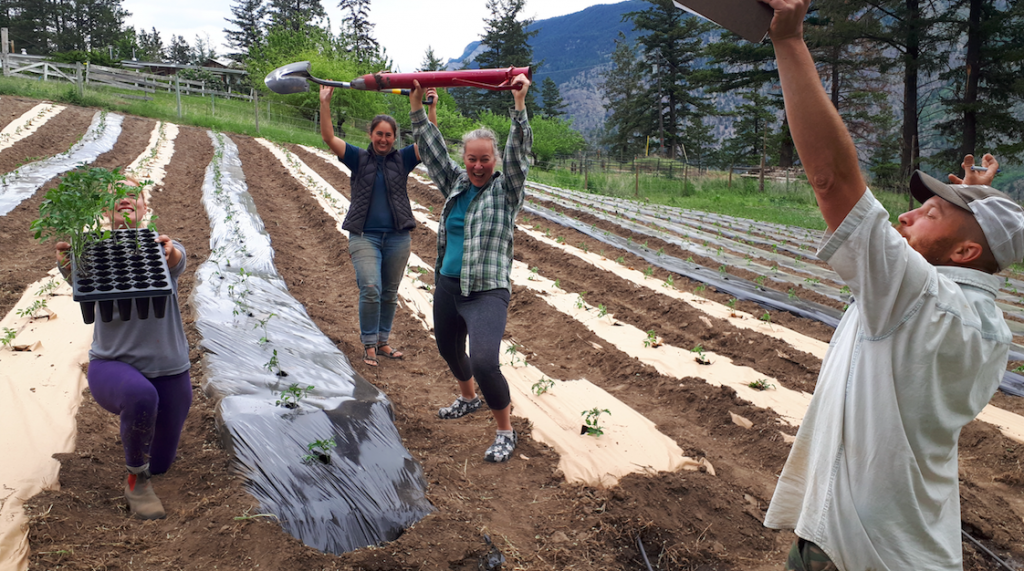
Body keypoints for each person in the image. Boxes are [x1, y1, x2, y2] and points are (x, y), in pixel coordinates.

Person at [756, 1, 1024, 569]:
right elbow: (963, 254)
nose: (906, 217)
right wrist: (974, 202)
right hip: (912, 546)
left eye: (927, 215)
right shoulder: (987, 325)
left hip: (851, 550)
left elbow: (831, 179)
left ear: (967, 252)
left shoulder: (914, 298)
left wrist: (789, 41)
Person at [408, 74, 532, 463]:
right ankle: (468, 398)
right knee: (447, 348)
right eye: (472, 158)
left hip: (486, 290)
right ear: (466, 159)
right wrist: (416, 108)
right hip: (448, 283)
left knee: (483, 361)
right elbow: (432, 154)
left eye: (485, 159)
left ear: (494, 161)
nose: (477, 165)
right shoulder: (457, 184)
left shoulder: (506, 190)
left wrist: (519, 107)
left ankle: (505, 430)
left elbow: (519, 155)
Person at [56, 178, 191, 520]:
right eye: (114, 196)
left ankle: (147, 461)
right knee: (140, 397)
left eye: (133, 194)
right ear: (104, 210)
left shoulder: (161, 247)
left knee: (162, 464)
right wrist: (68, 262)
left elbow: (175, 258)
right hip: (112, 365)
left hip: (170, 369)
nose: (125, 199)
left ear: (145, 208)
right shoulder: (91, 253)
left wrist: (168, 251)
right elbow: (75, 276)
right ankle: (137, 481)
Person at [319, 85, 437, 367]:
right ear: (370, 135)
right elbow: (328, 137)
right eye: (379, 134)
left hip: (398, 237)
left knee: (389, 292)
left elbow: (430, 141)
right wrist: (325, 103)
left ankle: (383, 342)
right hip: (364, 236)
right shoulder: (358, 158)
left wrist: (429, 107)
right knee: (371, 286)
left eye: (388, 135)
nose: (383, 139)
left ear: (395, 137)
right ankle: (369, 344)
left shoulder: (403, 159)